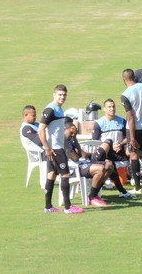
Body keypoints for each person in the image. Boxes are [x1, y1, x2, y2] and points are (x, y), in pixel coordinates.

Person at [37, 84, 84, 214]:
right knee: (66, 175)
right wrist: (47, 148)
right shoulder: (50, 110)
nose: (62, 97)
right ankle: (68, 207)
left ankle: (48, 206)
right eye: (60, 94)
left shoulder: (58, 109)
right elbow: (41, 129)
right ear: (54, 95)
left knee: (51, 175)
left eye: (64, 95)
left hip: (55, 148)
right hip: (55, 149)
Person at [64, 120, 117, 206]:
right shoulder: (63, 141)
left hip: (82, 164)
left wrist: (75, 138)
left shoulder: (71, 139)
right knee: (100, 169)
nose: (72, 135)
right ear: (65, 129)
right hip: (74, 169)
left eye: (74, 133)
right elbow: (76, 157)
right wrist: (78, 152)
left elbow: (81, 154)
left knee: (109, 165)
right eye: (71, 132)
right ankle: (92, 197)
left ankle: (93, 194)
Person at [121, 68, 142, 194]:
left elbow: (130, 117)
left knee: (134, 155)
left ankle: (137, 187)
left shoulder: (125, 95)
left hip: (134, 129)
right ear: (134, 76)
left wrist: (133, 138)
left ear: (124, 79)